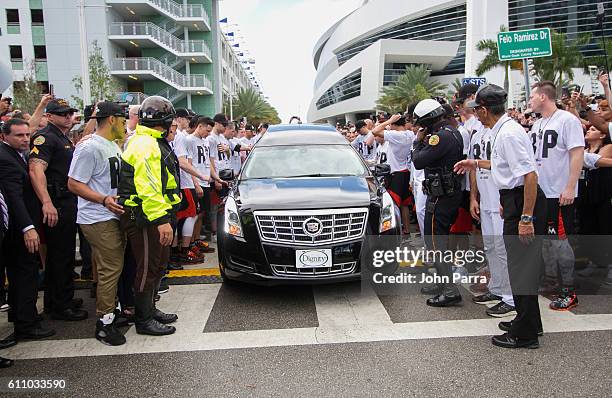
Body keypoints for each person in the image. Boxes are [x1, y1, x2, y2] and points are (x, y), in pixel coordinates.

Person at [455, 84, 546, 349]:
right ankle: (529, 322)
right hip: (514, 198)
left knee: (520, 269)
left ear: (484, 110)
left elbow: (530, 176)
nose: (476, 115)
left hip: (523, 200)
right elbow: (506, 166)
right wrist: (477, 164)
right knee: (521, 267)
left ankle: (525, 334)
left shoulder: (507, 134)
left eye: (477, 110)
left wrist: (525, 218)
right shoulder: (503, 130)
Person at [117, 96, 180, 336]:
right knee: (147, 268)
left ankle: (150, 309)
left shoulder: (153, 141)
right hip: (145, 217)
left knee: (157, 264)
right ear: (164, 120)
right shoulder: (146, 145)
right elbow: (149, 187)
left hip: (154, 215)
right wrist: (161, 220)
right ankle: (143, 320)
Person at [67, 102, 128, 346]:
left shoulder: (111, 145)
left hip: (112, 215)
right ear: (112, 120)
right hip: (97, 216)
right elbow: (73, 183)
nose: (126, 125)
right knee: (110, 268)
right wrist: (103, 199)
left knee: (114, 266)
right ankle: (105, 321)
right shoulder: (90, 148)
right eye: (123, 120)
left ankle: (113, 311)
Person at [28, 99, 88, 321]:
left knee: (62, 255)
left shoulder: (61, 136)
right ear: (50, 116)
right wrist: (46, 202)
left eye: (70, 113)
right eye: (62, 114)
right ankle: (61, 305)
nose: (68, 117)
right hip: (57, 202)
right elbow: (36, 170)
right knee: (60, 255)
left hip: (66, 200)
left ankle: (58, 299)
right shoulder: (46, 137)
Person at [528, 81, 584, 310]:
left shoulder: (567, 120)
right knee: (545, 243)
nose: (529, 101)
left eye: (532, 96)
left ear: (543, 96)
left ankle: (569, 290)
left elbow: (577, 153)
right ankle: (551, 281)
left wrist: (570, 187)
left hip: (558, 191)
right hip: (541, 192)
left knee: (560, 242)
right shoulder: (537, 124)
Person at [0, 118, 56, 346]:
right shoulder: (6, 159)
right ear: (4, 136)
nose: (25, 140)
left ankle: (24, 316)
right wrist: (28, 227)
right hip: (18, 230)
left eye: (26, 135)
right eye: (19, 136)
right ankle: (26, 324)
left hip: (20, 227)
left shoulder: (16, 155)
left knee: (23, 275)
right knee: (25, 275)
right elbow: (14, 198)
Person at [412, 99, 464, 307]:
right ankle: (443, 283)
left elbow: (418, 161)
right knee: (438, 242)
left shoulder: (439, 137)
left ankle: (450, 290)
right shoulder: (452, 132)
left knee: (436, 243)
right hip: (447, 194)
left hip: (441, 196)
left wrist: (417, 142)